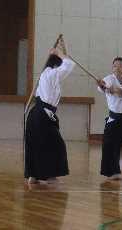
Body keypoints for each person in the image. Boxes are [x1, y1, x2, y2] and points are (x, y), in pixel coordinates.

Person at [24, 39, 75, 184]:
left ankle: (33, 175)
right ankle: (49, 175)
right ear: (56, 64)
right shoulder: (51, 74)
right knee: (56, 144)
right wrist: (59, 53)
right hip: (41, 115)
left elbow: (66, 61)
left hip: (37, 115)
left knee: (38, 143)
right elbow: (69, 64)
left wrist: (63, 49)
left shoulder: (48, 74)